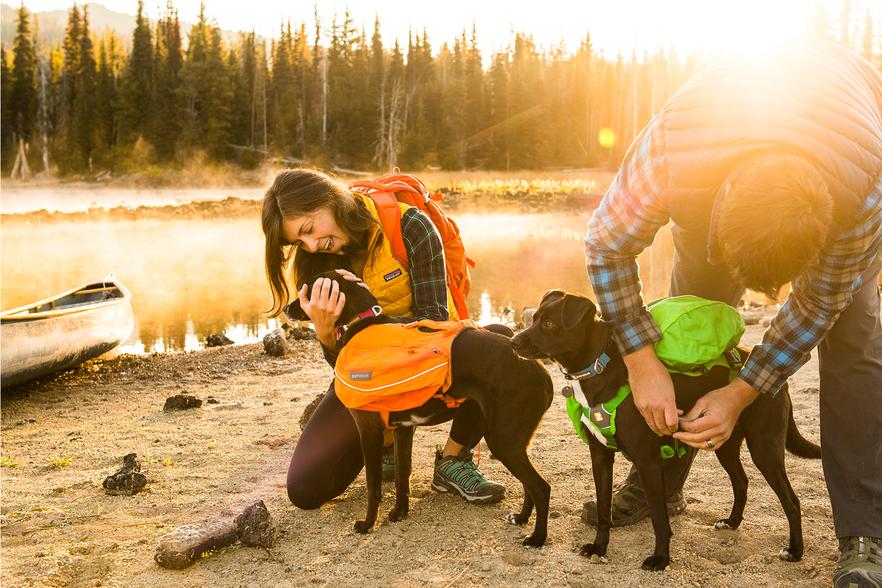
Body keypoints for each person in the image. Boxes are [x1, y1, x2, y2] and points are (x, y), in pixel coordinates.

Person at [582, 40, 881, 587]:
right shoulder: (672, 155)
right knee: (692, 311)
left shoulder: (862, 192)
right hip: (718, 136)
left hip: (849, 120)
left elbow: (817, 307)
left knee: (855, 340)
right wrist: (641, 361)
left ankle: (864, 530)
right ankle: (661, 477)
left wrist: (743, 391)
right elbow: (605, 246)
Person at [262, 168, 506, 509]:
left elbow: (433, 327)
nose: (313, 245)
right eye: (299, 242)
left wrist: (368, 317)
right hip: (369, 384)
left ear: (330, 198)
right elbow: (343, 368)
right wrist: (326, 333)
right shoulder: (316, 261)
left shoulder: (411, 227)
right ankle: (386, 442)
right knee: (305, 490)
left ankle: (453, 459)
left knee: (500, 342)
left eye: (309, 229)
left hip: (432, 372)